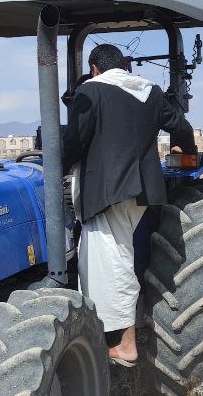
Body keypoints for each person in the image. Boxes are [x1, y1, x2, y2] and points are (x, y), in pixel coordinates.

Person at [62, 44, 195, 363]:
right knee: (116, 256)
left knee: (111, 260)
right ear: (124, 66)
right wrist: (186, 147)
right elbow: (181, 126)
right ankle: (108, 333)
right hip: (142, 191)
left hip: (108, 191)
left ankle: (125, 344)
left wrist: (58, 166)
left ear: (94, 68)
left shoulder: (91, 91)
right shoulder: (149, 90)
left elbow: (75, 143)